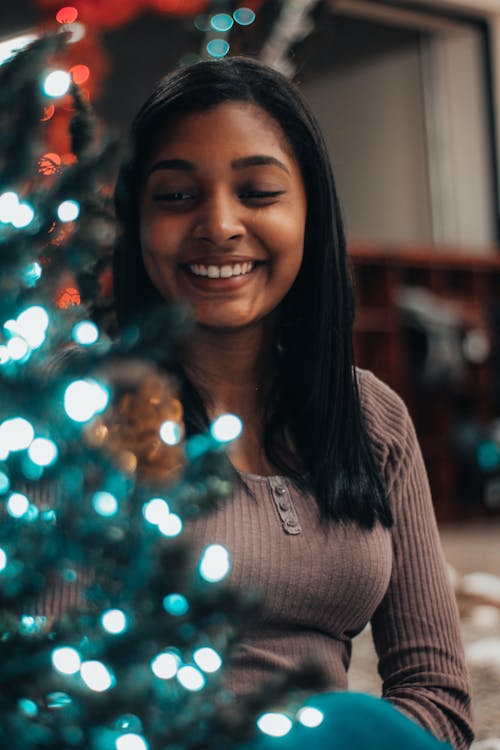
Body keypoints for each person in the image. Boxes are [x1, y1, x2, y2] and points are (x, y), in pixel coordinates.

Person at [113, 56, 474, 750]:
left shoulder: (373, 416)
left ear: (310, 210)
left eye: (258, 192)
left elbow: (437, 697)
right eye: (177, 197)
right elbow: (44, 698)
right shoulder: (79, 412)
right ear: (136, 221)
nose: (219, 225)